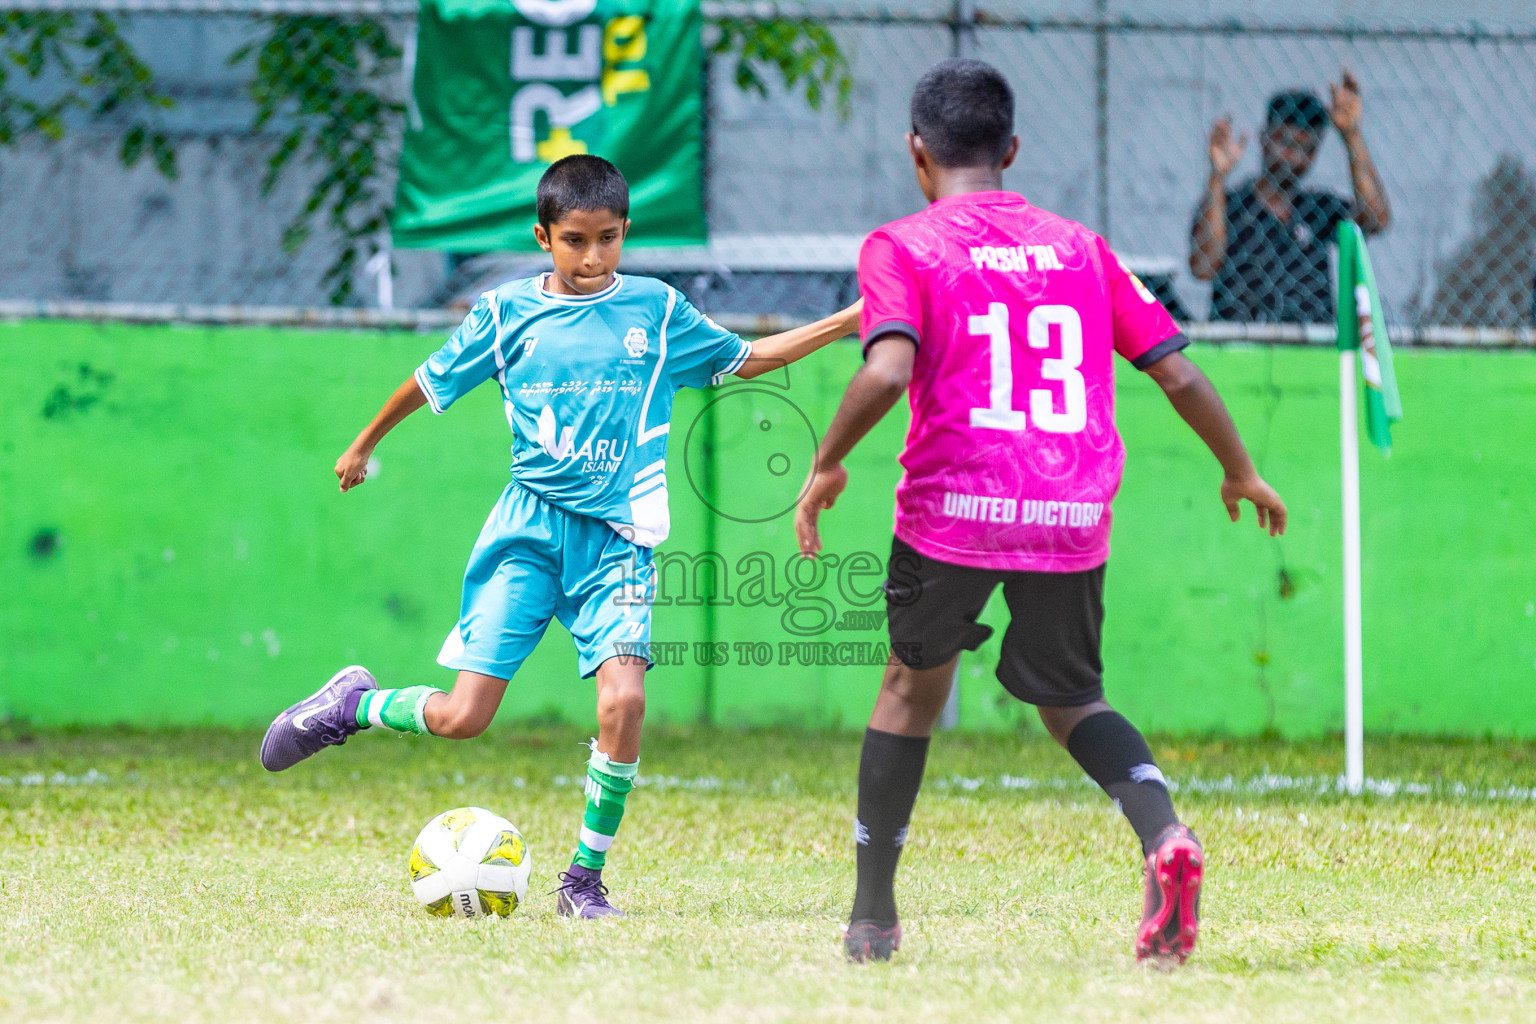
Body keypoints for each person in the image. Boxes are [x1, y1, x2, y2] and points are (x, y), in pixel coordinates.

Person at [259, 155, 861, 919]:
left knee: (626, 702)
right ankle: (354, 706)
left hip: (618, 544)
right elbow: (430, 378)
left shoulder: (657, 310)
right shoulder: (507, 315)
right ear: (543, 236)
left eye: (608, 239)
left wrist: (849, 319)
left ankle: (583, 881)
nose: (592, 258)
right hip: (527, 533)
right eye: (574, 240)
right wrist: (364, 441)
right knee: (461, 719)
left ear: (626, 233)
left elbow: (752, 359)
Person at [795, 59, 1288, 965]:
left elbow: (888, 368)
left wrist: (827, 463)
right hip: (1068, 504)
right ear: (1012, 148)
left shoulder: (904, 245)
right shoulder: (1080, 247)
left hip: (954, 506)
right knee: (1073, 698)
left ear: (917, 151)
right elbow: (1175, 369)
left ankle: (871, 918)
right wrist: (1240, 469)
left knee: (911, 687)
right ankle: (1163, 837)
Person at [1190, 72, 1392, 322]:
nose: (1295, 157)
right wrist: (1217, 177)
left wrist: (1352, 136)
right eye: (1286, 143)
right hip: (1240, 348)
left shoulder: (1317, 208)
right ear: (1264, 138)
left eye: (1307, 149)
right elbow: (1203, 268)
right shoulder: (1229, 205)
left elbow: (1376, 220)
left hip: (1310, 352)